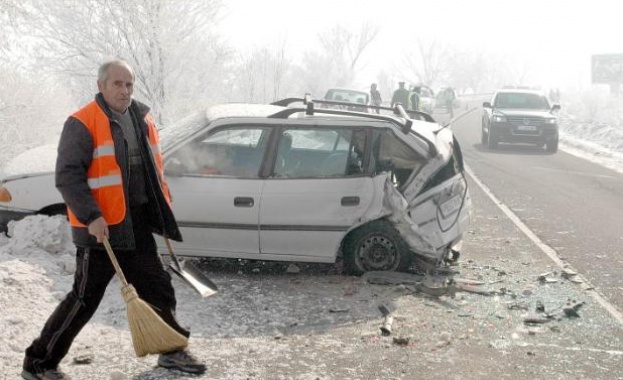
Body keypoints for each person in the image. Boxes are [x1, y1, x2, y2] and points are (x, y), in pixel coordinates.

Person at [21, 60, 206, 380]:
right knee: (84, 299)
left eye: (129, 84)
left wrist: (160, 207)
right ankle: (39, 362)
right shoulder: (82, 122)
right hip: (100, 230)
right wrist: (91, 215)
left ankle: (171, 350)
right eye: (117, 84)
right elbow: (67, 177)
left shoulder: (142, 118)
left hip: (136, 223)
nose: (124, 90)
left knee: (158, 287)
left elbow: (150, 169)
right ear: (101, 85)